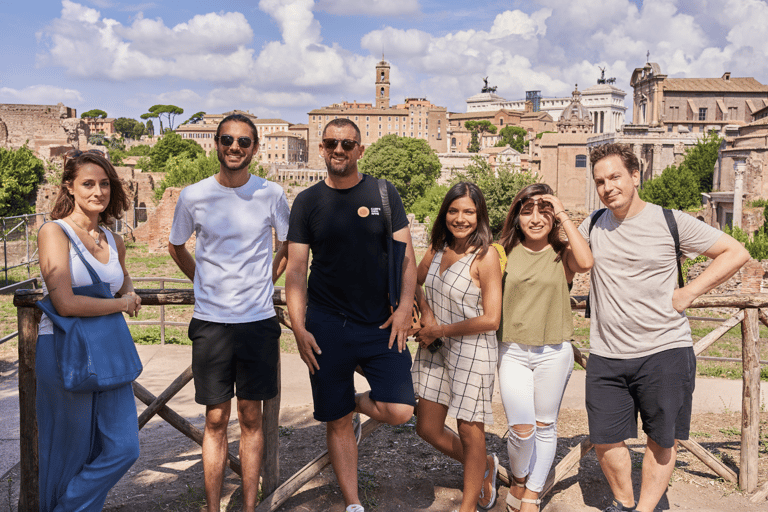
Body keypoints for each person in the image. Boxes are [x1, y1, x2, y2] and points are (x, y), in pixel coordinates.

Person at [580, 143, 750, 512]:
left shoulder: (669, 220)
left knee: (662, 438)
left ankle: (645, 509)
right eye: (600, 181)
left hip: (665, 349)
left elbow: (736, 253)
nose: (608, 187)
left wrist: (689, 292)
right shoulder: (591, 223)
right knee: (605, 438)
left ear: (635, 176)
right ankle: (624, 501)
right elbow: (566, 256)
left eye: (615, 177)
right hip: (606, 354)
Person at [285, 119, 417, 512]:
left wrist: (406, 308)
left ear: (360, 150)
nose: (338, 149)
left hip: (380, 323)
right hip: (326, 324)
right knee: (336, 422)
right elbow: (295, 271)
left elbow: (407, 258)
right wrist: (298, 328)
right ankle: (354, 503)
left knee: (400, 410)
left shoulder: (383, 191)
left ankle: (353, 402)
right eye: (331, 143)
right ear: (321, 149)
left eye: (347, 144)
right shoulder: (307, 202)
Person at [168, 113, 290, 512]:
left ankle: (251, 507)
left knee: (252, 418)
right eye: (227, 140)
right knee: (216, 419)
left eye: (243, 141)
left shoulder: (271, 194)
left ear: (254, 148)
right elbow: (176, 246)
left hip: (257, 322)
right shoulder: (193, 195)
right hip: (211, 324)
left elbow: (286, 244)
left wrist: (265, 278)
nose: (234, 147)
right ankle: (213, 508)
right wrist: (201, 280)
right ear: (217, 144)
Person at [36, 149, 141, 511]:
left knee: (125, 447)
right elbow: (64, 302)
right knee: (69, 449)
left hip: (108, 350)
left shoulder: (114, 240)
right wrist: (121, 304)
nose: (98, 191)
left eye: (105, 184)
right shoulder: (54, 232)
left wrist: (129, 292)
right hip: (65, 348)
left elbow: (124, 283)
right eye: (88, 184)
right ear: (70, 187)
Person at [496, 183, 593, 512]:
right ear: (516, 217)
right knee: (521, 430)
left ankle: (533, 494)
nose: (535, 218)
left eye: (544, 211)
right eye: (527, 211)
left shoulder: (562, 253)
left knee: (545, 426)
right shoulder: (502, 252)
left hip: (554, 352)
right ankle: (519, 478)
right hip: (511, 351)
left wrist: (562, 211)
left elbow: (586, 261)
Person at [411, 182, 503, 512]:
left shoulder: (486, 255)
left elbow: (492, 318)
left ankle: (468, 506)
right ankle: (484, 466)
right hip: (436, 346)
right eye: (453, 210)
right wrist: (427, 312)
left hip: (473, 350)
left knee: (468, 428)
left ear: (479, 217)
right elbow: (415, 281)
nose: (460, 218)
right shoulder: (437, 247)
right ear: (444, 213)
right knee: (427, 427)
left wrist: (440, 329)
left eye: (468, 212)